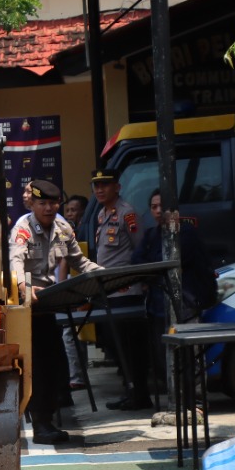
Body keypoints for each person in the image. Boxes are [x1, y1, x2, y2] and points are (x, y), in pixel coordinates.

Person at [9, 179, 102, 444]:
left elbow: (79, 262)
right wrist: (24, 286)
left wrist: (105, 275)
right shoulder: (22, 229)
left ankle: (46, 418)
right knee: (40, 364)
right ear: (33, 204)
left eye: (53, 203)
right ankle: (41, 424)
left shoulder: (63, 227)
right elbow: (15, 264)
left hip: (50, 305)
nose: (49, 208)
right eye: (43, 203)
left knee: (56, 362)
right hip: (27, 307)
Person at [132, 189, 218, 394]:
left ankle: (194, 400)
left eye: (162, 206)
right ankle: (177, 400)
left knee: (190, 357)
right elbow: (136, 261)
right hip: (157, 306)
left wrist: (153, 269)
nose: (158, 211)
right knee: (163, 359)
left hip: (185, 304)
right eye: (153, 207)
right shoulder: (152, 234)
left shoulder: (185, 233)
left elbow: (171, 262)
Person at [88, 168, 152, 410]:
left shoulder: (127, 214)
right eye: (96, 185)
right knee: (115, 345)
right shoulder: (102, 214)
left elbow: (139, 250)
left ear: (117, 187)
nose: (100, 189)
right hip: (108, 291)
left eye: (105, 184)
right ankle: (130, 390)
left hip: (127, 290)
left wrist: (140, 280)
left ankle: (139, 393)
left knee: (131, 346)